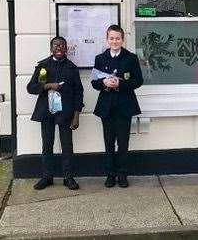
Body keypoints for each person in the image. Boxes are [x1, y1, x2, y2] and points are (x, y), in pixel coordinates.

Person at [27, 36, 84, 191]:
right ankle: (47, 177)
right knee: (47, 144)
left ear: (66, 49)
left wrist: (76, 114)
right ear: (51, 48)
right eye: (55, 45)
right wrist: (47, 86)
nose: (59, 47)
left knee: (67, 145)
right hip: (46, 111)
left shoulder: (71, 68)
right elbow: (31, 87)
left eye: (62, 45)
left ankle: (68, 177)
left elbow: (79, 92)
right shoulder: (43, 66)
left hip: (65, 112)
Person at [91, 25, 143, 188]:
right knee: (108, 142)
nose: (114, 41)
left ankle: (122, 174)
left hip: (124, 106)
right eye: (111, 38)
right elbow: (94, 81)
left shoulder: (131, 58)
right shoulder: (100, 58)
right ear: (107, 39)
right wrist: (104, 83)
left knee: (123, 142)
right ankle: (110, 174)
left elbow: (138, 81)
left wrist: (120, 84)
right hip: (107, 106)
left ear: (122, 39)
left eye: (117, 38)